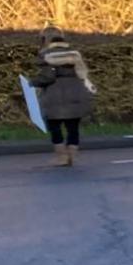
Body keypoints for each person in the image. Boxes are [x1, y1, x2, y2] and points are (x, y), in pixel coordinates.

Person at [30, 28, 95, 168]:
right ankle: (71, 155)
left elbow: (47, 77)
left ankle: (61, 157)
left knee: (54, 127)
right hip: (76, 94)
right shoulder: (74, 54)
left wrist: (32, 82)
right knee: (73, 127)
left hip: (55, 97)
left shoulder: (46, 55)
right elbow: (83, 74)